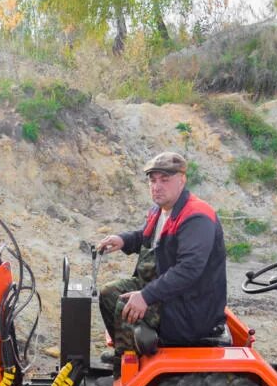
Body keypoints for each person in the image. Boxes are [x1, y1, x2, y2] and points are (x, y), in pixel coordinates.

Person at [96, 151, 227, 361]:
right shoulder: (161, 210)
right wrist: (123, 240)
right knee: (109, 293)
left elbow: (189, 269)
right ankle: (127, 351)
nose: (157, 186)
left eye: (165, 180)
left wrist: (146, 296)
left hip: (189, 306)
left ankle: (130, 365)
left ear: (182, 180)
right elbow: (147, 237)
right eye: (153, 180)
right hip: (168, 291)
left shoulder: (197, 217)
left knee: (124, 304)